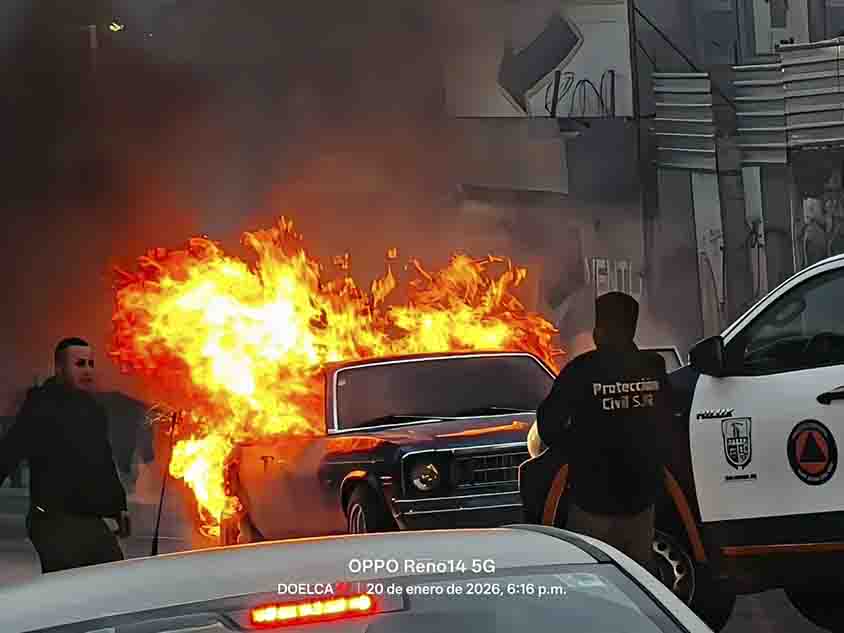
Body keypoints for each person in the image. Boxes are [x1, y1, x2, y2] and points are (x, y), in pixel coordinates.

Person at [535, 292, 671, 573]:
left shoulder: (581, 372)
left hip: (592, 498)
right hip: (641, 499)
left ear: (600, 330)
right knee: (640, 579)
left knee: (595, 576)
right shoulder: (654, 369)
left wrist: (577, 448)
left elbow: (549, 426)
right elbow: (668, 422)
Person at [0, 337, 130, 572]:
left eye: (91, 364)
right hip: (53, 520)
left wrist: (118, 507)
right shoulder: (40, 406)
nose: (88, 370)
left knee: (114, 583)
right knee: (67, 593)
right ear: (60, 368)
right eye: (80, 364)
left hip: (91, 519)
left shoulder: (93, 410)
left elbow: (103, 462)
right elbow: (11, 450)